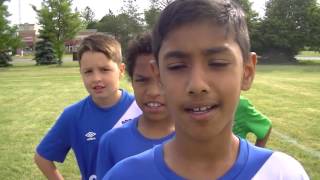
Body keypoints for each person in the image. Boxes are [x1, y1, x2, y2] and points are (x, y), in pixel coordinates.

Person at [103, 0, 309, 179]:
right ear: (159, 76)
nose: (197, 85)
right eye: (177, 66)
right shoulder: (125, 175)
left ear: (247, 72)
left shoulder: (283, 174)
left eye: (217, 63)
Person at [34, 34, 142, 180]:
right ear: (81, 74)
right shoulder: (73, 115)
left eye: (104, 70)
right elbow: (42, 158)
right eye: (88, 71)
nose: (96, 78)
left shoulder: (141, 107)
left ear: (121, 70)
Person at [96, 32, 175, 180]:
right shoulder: (111, 142)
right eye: (142, 80)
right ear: (132, 82)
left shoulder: (199, 140)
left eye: (162, 80)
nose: (153, 92)